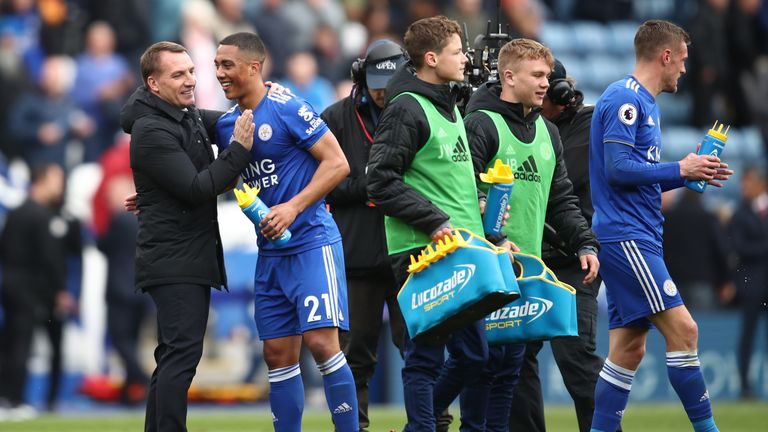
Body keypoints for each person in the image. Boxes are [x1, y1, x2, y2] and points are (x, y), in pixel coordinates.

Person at [588, 20, 732, 432]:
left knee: (628, 350)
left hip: (637, 234)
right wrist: (680, 168)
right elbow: (617, 169)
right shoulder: (624, 99)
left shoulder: (647, 105)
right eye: (682, 60)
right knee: (685, 330)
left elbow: (639, 170)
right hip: (626, 235)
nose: (684, 70)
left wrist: (686, 172)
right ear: (665, 56)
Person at [212, 32, 356, 432]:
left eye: (228, 65)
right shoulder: (227, 124)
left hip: (311, 242)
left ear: (255, 68)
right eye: (217, 66)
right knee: (277, 353)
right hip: (271, 251)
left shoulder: (288, 106)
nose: (220, 73)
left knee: (323, 345)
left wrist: (293, 207)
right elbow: (227, 178)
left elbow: (338, 163)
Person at [460, 41, 599, 431]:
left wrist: (584, 242)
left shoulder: (549, 133)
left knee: (512, 372)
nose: (546, 85)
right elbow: (463, 187)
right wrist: (493, 230)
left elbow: (562, 200)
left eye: (546, 76)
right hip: (485, 268)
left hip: (528, 268)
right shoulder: (481, 124)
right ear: (508, 77)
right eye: (537, 76)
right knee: (478, 368)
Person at [119, 41, 256, 432]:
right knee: (181, 358)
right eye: (178, 74)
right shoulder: (150, 129)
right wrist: (240, 150)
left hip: (183, 255)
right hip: (173, 260)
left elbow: (227, 121)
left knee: (173, 359)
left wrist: (265, 100)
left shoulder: (181, 114)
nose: (191, 80)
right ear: (153, 84)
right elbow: (198, 188)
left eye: (192, 71)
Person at [366, 16, 490, 431]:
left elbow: (450, 180)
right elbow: (379, 180)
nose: (465, 58)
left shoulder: (449, 104)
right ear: (432, 58)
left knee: (474, 355)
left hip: (461, 246)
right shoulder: (406, 108)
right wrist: (434, 221)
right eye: (457, 51)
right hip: (425, 250)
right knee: (424, 356)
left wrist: (489, 222)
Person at [506, 59, 607, 432]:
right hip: (529, 255)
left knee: (577, 358)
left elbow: (559, 187)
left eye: (545, 84)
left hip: (572, 259)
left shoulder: (590, 123)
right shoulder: (518, 125)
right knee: (516, 360)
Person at [321, 39, 408, 431]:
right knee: (355, 354)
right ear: (360, 76)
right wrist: (372, 183)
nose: (383, 91)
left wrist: (369, 183)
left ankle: (431, 424)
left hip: (410, 251)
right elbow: (322, 185)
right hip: (356, 254)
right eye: (376, 82)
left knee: (420, 349)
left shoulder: (416, 113)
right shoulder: (335, 119)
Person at [0, 164, 78, 420]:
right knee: (22, 345)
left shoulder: (17, 212)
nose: (61, 186)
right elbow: (51, 258)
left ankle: (6, 397)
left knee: (10, 344)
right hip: (29, 289)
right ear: (42, 181)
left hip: (9, 284)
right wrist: (59, 290)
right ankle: (15, 401)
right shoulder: (40, 215)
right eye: (56, 180)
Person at [728, 166, 768, 400]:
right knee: (748, 337)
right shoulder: (739, 213)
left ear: (762, 185)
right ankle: (745, 387)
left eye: (749, 182)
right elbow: (738, 247)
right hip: (752, 285)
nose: (744, 187)